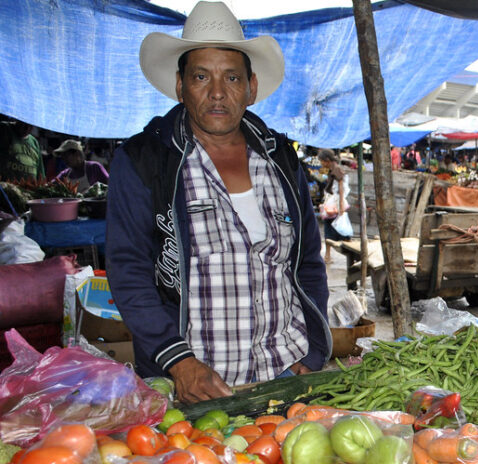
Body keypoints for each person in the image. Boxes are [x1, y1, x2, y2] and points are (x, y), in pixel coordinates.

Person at [105, 1, 331, 403]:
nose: (217, 93)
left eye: (231, 77)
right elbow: (128, 270)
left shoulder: (279, 158)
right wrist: (179, 364)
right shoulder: (146, 160)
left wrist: (313, 351)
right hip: (196, 386)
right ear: (180, 85)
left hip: (286, 372)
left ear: (251, 87)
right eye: (200, 76)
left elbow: (308, 259)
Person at [317, 148, 351, 263]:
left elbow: (341, 188)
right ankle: (327, 256)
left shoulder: (337, 170)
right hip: (333, 201)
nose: (321, 163)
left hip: (336, 203)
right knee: (330, 228)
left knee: (340, 232)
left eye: (321, 161)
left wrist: (340, 206)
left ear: (327, 160)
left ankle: (348, 256)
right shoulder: (333, 169)